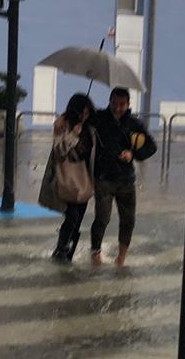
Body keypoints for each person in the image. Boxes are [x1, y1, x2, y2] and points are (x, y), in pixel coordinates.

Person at [90, 87, 157, 267]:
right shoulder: (100, 118)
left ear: (128, 105)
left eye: (121, 105)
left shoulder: (134, 124)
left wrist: (133, 154)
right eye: (114, 104)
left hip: (126, 180)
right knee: (102, 218)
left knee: (128, 220)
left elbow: (151, 146)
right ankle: (95, 253)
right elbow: (80, 116)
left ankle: (121, 258)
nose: (117, 108)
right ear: (109, 102)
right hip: (103, 177)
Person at [42, 94, 96, 261]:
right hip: (67, 178)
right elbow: (59, 151)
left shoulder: (91, 127)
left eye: (87, 113)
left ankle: (69, 251)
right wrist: (73, 134)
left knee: (78, 217)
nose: (84, 117)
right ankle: (61, 249)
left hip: (85, 179)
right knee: (71, 215)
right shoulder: (62, 125)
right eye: (81, 113)